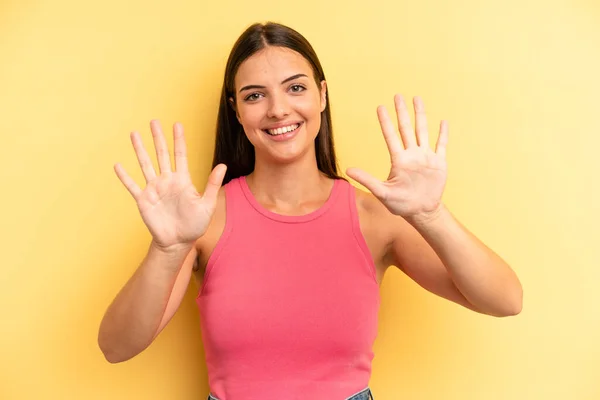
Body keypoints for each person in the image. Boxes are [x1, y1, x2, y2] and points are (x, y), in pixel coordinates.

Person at [98, 22, 523, 400]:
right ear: (236, 110)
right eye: (255, 95)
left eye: (295, 87)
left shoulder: (375, 217)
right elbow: (116, 348)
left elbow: (505, 300)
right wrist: (167, 250)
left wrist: (431, 215)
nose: (278, 109)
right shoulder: (202, 219)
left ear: (321, 95)